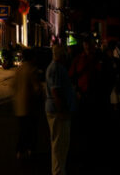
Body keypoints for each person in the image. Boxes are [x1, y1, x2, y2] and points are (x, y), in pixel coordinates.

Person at [45, 44, 76, 175]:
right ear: (61, 55)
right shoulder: (56, 69)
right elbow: (56, 91)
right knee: (59, 144)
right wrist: (62, 111)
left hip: (59, 111)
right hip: (59, 113)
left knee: (60, 144)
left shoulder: (57, 68)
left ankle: (59, 170)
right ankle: (58, 172)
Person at [12, 48, 43, 159]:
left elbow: (13, 86)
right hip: (30, 104)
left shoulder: (18, 69)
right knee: (31, 129)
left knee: (22, 129)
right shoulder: (32, 70)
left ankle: (19, 150)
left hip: (19, 105)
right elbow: (37, 88)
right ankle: (30, 149)